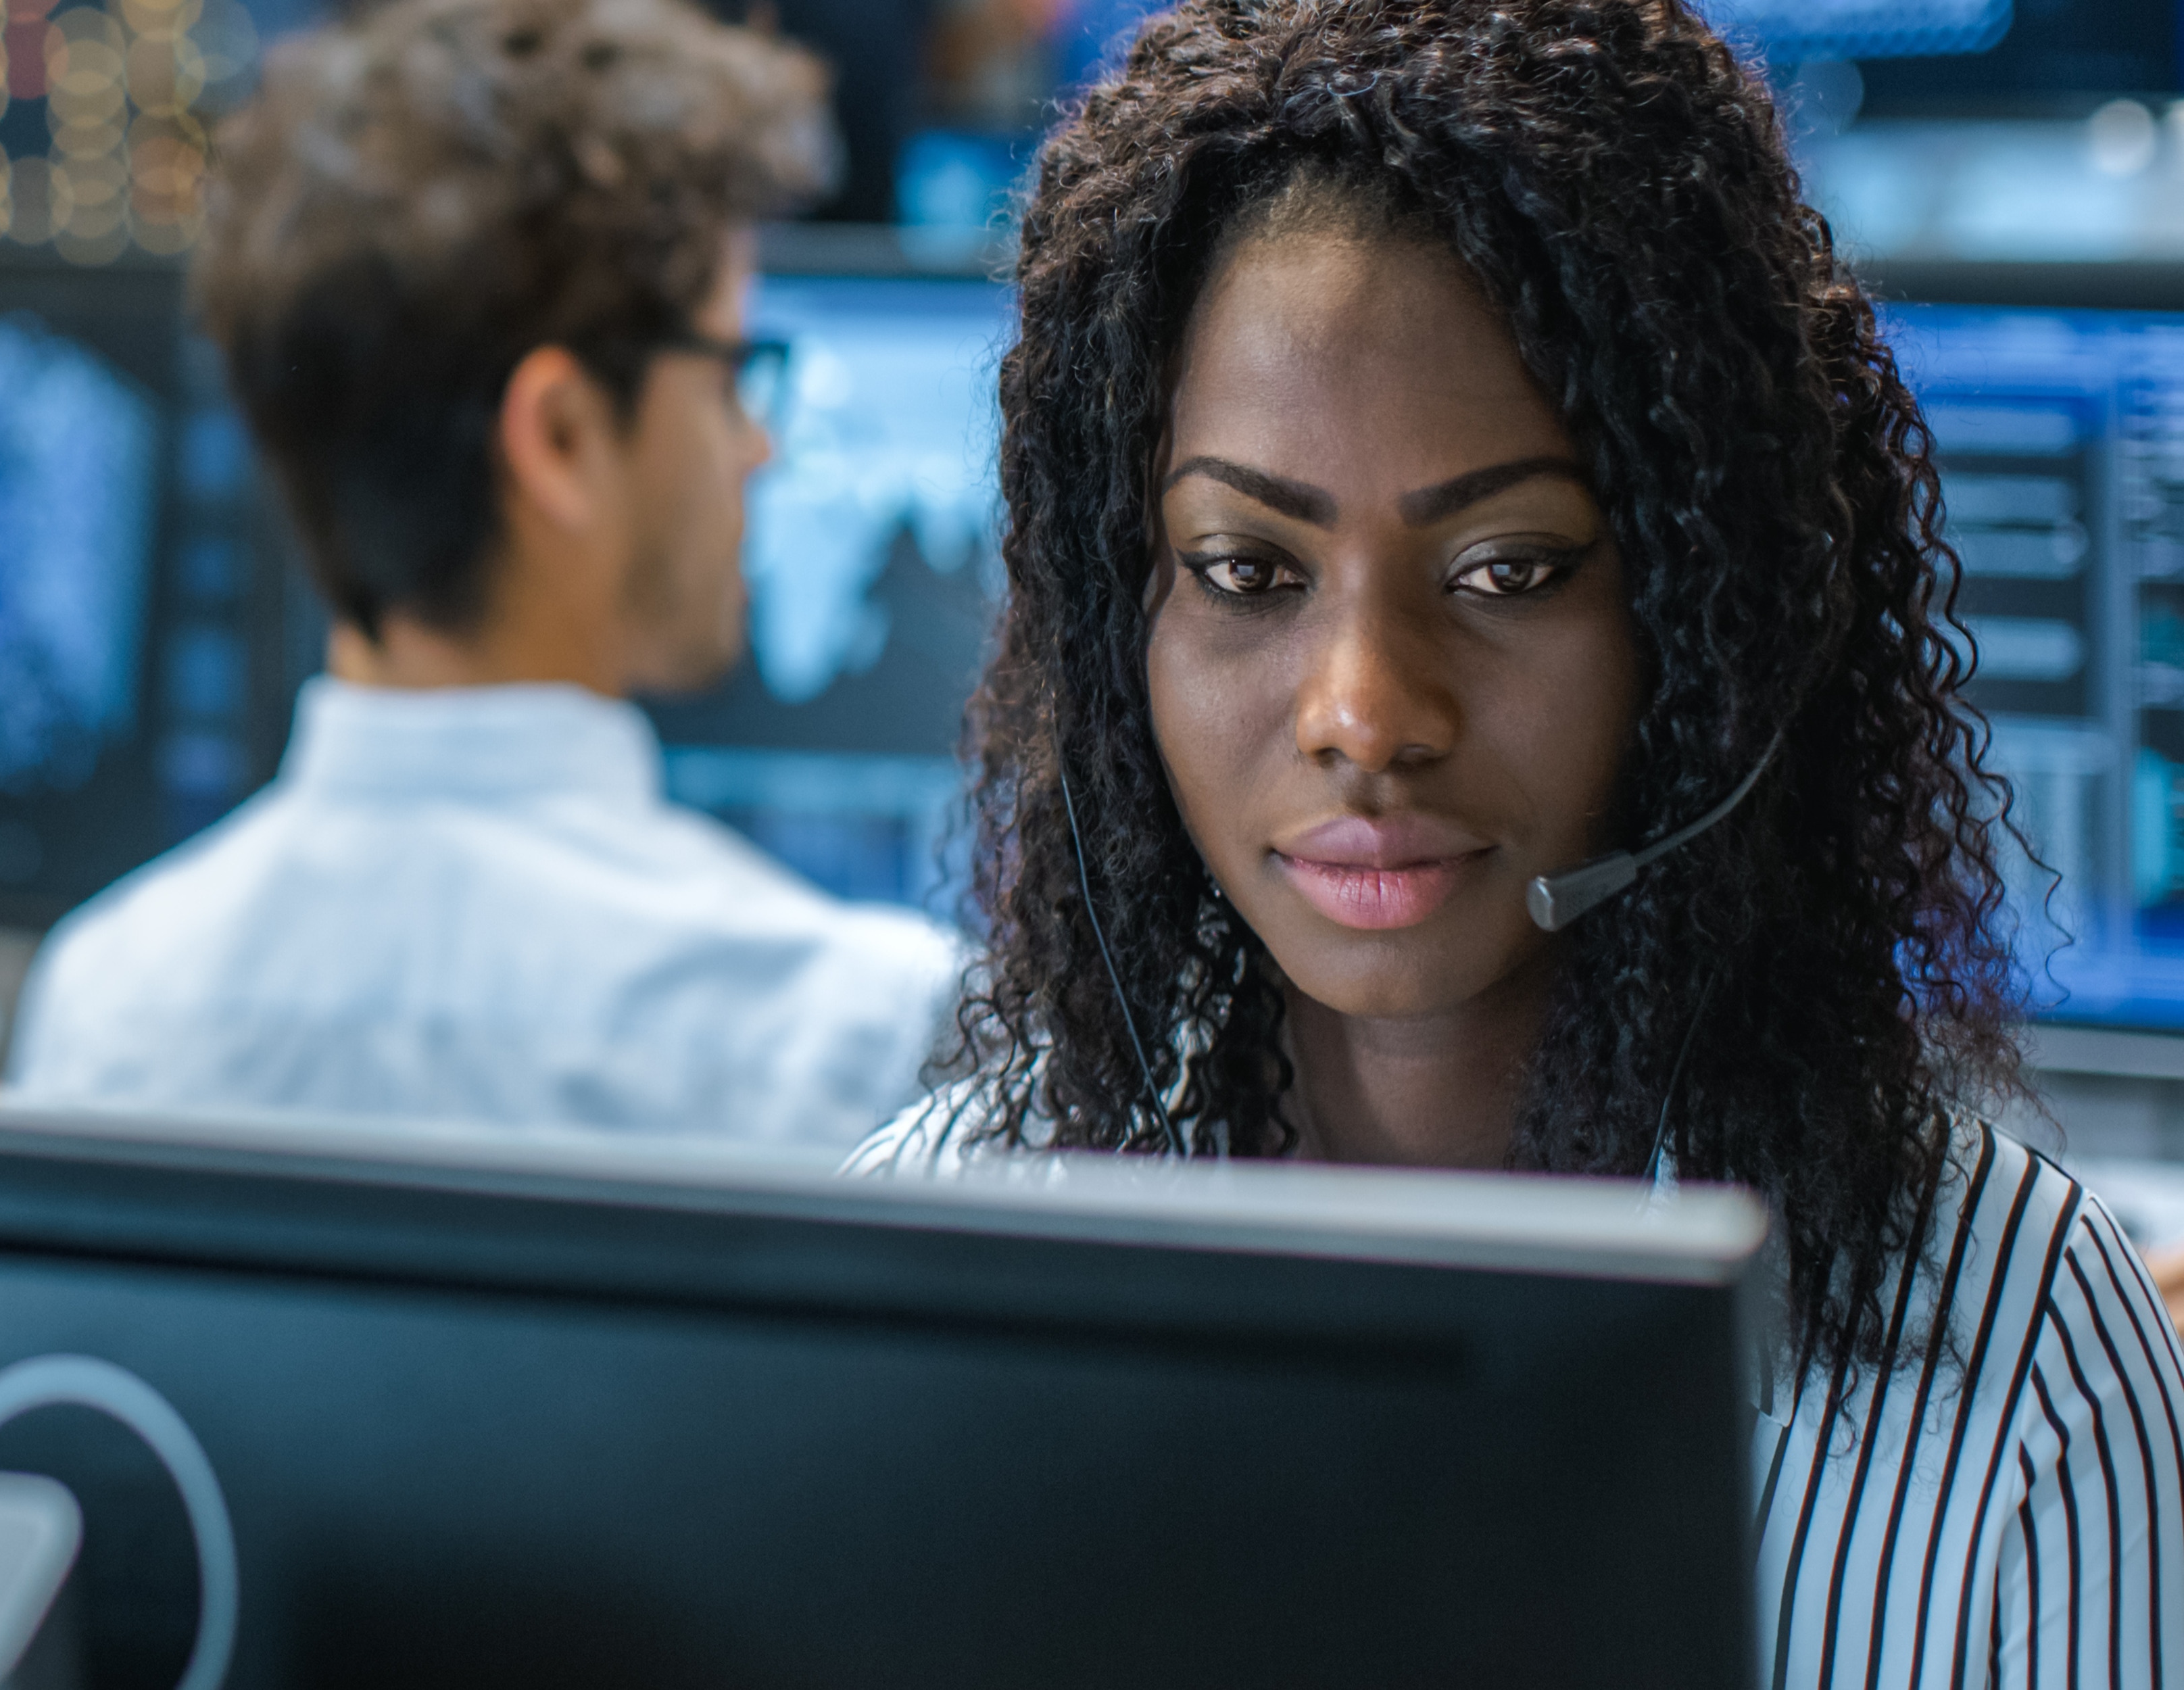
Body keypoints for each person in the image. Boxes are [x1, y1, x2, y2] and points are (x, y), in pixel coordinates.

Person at [848, 0, 2184, 1680]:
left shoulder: (2010, 1365)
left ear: (1702, 620)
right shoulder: (919, 1271)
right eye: (1246, 572)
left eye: (1505, 570)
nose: (1363, 710)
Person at [9, 0, 964, 1144]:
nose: (759, 446)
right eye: (729, 375)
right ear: (558, 437)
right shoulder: (845, 1037)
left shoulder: (106, 1002)